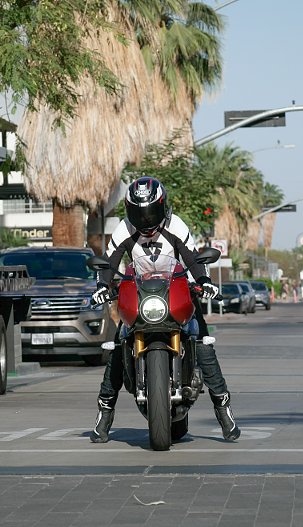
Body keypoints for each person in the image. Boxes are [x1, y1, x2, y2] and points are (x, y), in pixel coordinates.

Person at [90, 176, 241, 443]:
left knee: (201, 339)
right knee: (118, 342)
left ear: (162, 207)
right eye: (139, 213)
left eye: (151, 212)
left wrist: (204, 282)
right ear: (129, 210)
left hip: (176, 291)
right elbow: (110, 263)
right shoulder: (124, 230)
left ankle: (224, 411)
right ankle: (104, 413)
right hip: (140, 295)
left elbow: (193, 259)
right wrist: (103, 286)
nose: (146, 219)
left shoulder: (176, 225)